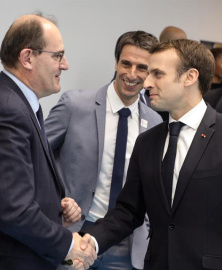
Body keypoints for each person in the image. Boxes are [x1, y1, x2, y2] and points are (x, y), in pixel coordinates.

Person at [81, 39, 222, 269]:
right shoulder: (147, 142)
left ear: (190, 77)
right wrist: (91, 240)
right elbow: (128, 211)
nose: (146, 83)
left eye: (157, 74)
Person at [45, 31, 162, 270]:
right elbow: (37, 159)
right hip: (73, 235)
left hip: (125, 246)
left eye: (142, 68)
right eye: (126, 63)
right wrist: (57, 204)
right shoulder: (74, 105)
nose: (132, 74)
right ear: (116, 62)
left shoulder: (155, 122)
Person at [0, 13, 96, 270]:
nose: (65, 64)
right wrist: (69, 245)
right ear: (28, 58)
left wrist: (55, 206)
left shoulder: (17, 103)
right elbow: (13, 210)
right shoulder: (8, 109)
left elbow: (11, 186)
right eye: (57, 55)